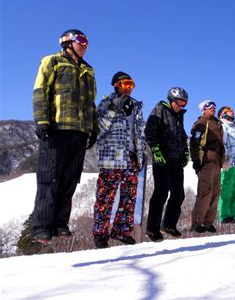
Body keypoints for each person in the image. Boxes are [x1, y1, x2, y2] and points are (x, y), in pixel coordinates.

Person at [31, 29, 98, 244]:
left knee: (70, 180)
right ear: (67, 42)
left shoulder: (89, 70)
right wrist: (42, 121)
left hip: (79, 132)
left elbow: (91, 102)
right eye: (81, 41)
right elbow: (41, 91)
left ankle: (60, 223)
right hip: (56, 129)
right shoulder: (52, 61)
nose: (85, 45)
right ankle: (42, 226)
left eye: (87, 42)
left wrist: (93, 128)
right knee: (49, 178)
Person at [92, 72, 146, 248]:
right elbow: (99, 128)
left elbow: (139, 133)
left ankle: (121, 230)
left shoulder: (136, 106)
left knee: (129, 196)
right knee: (106, 196)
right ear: (116, 85)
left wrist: (141, 152)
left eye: (131, 85)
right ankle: (100, 233)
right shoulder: (107, 102)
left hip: (131, 157)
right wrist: (114, 108)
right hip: (111, 156)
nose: (128, 88)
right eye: (125, 84)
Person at [144, 87, 189, 242]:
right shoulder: (159, 110)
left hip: (176, 159)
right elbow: (149, 131)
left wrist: (185, 152)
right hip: (162, 159)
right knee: (161, 193)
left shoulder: (179, 116)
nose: (181, 106)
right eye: (179, 102)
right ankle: (152, 228)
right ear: (171, 100)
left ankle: (168, 224)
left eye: (184, 103)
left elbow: (182, 135)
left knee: (179, 194)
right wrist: (156, 151)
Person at [190, 100, 225, 233]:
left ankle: (208, 222)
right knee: (205, 192)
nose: (213, 109)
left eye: (214, 107)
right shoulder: (201, 123)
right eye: (209, 107)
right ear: (203, 109)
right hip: (206, 162)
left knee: (216, 193)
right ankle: (197, 222)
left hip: (217, 162)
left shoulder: (217, 123)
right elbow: (194, 143)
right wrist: (196, 161)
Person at [217, 106, 235, 223]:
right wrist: (224, 160)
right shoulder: (222, 126)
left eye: (232, 110)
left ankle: (234, 214)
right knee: (226, 189)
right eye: (228, 110)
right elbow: (222, 144)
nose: (231, 111)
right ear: (222, 114)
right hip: (228, 162)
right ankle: (224, 215)